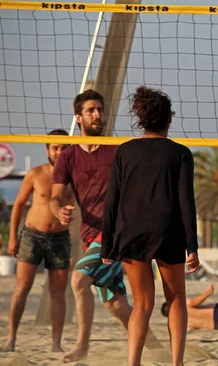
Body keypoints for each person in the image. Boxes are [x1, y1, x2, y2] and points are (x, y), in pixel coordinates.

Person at [50, 89, 159, 362]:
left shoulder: (118, 150)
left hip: (117, 233)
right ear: (78, 117)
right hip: (91, 236)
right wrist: (59, 211)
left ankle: (82, 345)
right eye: (91, 110)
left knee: (78, 280)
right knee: (116, 305)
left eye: (100, 109)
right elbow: (55, 196)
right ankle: (157, 349)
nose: (98, 114)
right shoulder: (68, 156)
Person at [101, 86, 200, 366]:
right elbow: (186, 201)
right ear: (169, 118)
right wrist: (192, 245)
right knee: (177, 297)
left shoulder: (124, 151)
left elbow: (112, 200)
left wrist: (108, 243)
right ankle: (177, 362)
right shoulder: (181, 154)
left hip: (131, 231)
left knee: (142, 304)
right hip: (167, 230)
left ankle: (133, 363)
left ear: (142, 119)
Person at [1, 130, 72, 353]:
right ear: (48, 150)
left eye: (64, 148)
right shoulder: (36, 173)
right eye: (55, 148)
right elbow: (19, 206)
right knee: (22, 288)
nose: (60, 152)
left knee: (58, 294)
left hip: (60, 238)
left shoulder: (75, 178)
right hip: (33, 236)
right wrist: (13, 236)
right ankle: (10, 339)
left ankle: (56, 344)